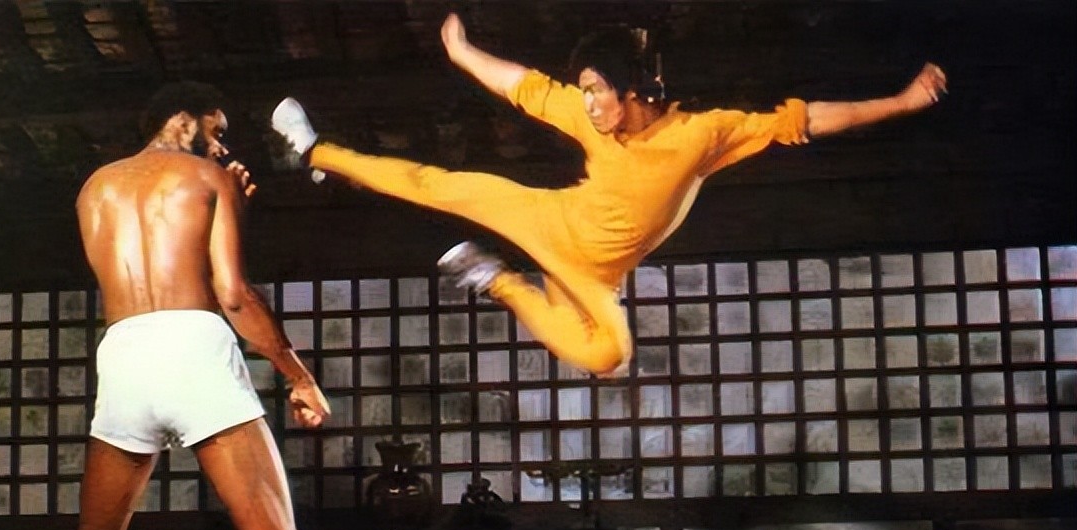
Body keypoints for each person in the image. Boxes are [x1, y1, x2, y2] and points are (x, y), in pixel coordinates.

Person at [270, 12, 948, 378]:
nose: (589, 103)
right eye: (586, 91)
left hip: (595, 277)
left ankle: (497, 282)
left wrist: (901, 101)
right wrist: (463, 53)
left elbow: (806, 121)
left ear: (633, 91)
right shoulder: (588, 117)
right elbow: (526, 88)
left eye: (599, 91)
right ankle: (313, 149)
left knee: (608, 358)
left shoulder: (701, 134)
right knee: (437, 185)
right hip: (551, 221)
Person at [29, 81, 338, 530]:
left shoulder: (94, 189)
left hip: (123, 355)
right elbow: (233, 296)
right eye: (216, 132)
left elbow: (148, 257)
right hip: (193, 348)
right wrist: (300, 377)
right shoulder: (208, 177)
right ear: (182, 120)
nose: (221, 147)